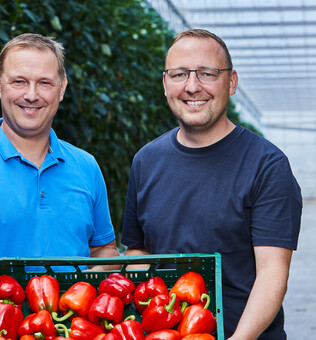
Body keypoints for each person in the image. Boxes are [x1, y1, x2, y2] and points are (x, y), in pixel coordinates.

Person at [0, 33, 119, 339]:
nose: (31, 95)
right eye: (18, 82)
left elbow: (104, 250)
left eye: (44, 82)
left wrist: (80, 294)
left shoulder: (86, 167)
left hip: (72, 330)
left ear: (62, 88)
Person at [121, 29, 302, 340]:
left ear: (231, 82)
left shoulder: (267, 165)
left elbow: (272, 271)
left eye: (207, 73)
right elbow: (138, 250)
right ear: (166, 84)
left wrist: (240, 338)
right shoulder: (146, 161)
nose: (193, 87)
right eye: (179, 75)